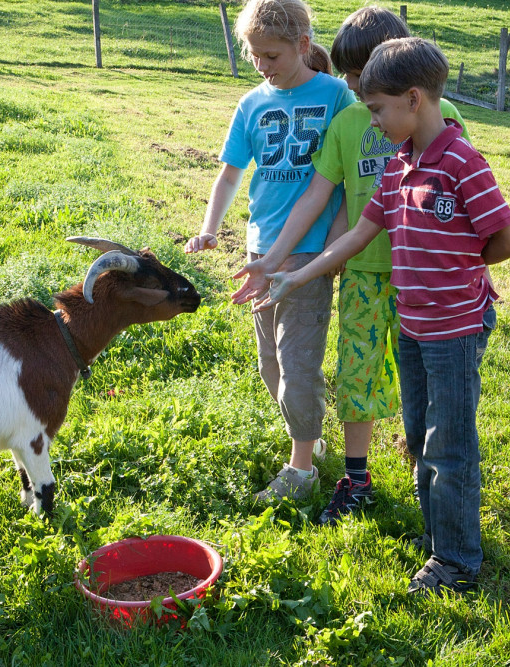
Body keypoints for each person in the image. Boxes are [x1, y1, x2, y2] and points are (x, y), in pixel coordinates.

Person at [250, 36, 510, 595]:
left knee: (450, 443)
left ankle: (456, 561)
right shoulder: (400, 167)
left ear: (414, 99)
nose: (371, 121)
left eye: (377, 109)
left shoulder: (462, 160)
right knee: (423, 441)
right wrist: (295, 274)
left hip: (454, 326)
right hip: (415, 326)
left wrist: (459, 266)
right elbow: (356, 233)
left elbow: (509, 239)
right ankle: (437, 539)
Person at [231, 6, 471, 526]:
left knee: (424, 376)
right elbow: (328, 199)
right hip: (364, 271)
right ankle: (356, 477)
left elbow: (466, 194)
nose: (358, 88)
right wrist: (281, 260)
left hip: (425, 274)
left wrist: (478, 268)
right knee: (356, 375)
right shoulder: (346, 123)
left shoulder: (438, 112)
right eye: (351, 77)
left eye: (364, 78)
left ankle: (425, 459)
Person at [184, 0, 355, 502]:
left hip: (308, 255)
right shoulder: (251, 104)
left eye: (272, 55)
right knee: (271, 365)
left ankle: (301, 470)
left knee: (297, 365)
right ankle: (313, 440)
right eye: (254, 55)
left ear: (303, 45)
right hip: (262, 250)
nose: (262, 65)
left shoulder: (337, 97)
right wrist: (210, 227)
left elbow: (348, 176)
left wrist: (335, 246)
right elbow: (231, 172)